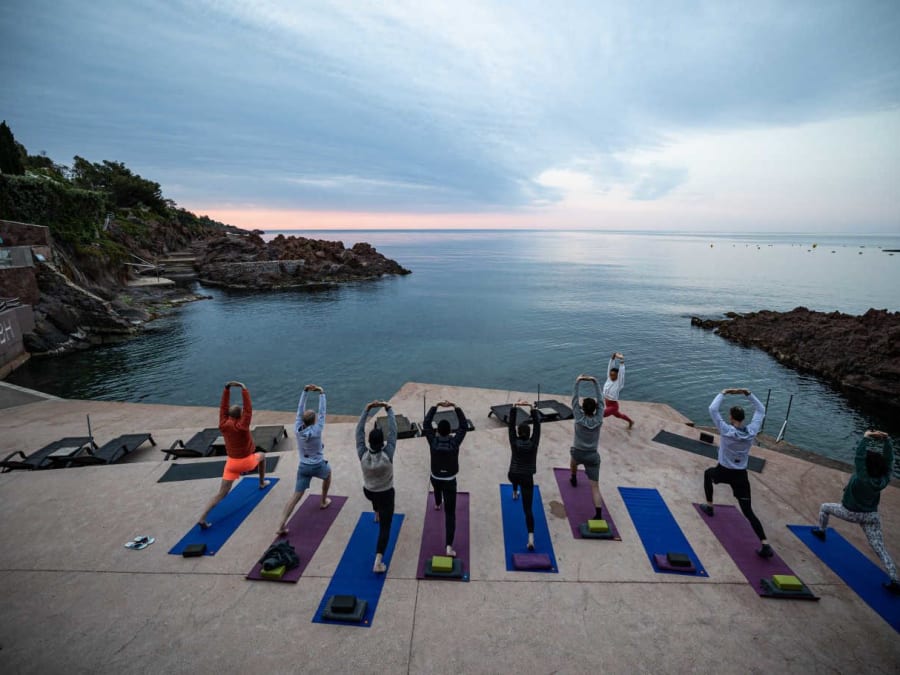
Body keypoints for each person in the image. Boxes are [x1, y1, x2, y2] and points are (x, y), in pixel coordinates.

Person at [811, 430, 899, 594]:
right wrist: (886, 441)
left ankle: (821, 531)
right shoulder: (883, 479)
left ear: (865, 466)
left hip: (850, 512)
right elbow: (889, 461)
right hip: (871, 516)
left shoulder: (862, 476)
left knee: (824, 508)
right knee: (879, 548)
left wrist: (866, 438)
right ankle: (895, 579)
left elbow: (859, 457)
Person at [700, 388, 774, 558]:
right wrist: (748, 394)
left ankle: (710, 507)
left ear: (731, 418)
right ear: (743, 418)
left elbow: (713, 409)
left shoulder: (726, 430)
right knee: (748, 511)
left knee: (707, 474)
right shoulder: (752, 431)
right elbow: (761, 410)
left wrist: (723, 392)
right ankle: (765, 543)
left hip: (723, 471)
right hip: (741, 476)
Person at [197, 381, 269, 528]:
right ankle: (262, 482)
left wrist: (226, 389)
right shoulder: (242, 426)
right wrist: (244, 389)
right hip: (246, 461)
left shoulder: (223, 425)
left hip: (231, 464)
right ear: (240, 415)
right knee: (262, 456)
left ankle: (203, 518)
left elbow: (222, 408)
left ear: (228, 415)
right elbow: (248, 409)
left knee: (221, 494)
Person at [276, 384, 331, 536]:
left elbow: (300, 408)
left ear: (303, 420)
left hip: (303, 467)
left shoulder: (297, 428)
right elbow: (323, 411)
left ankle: (281, 524)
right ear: (314, 421)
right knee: (328, 474)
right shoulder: (317, 429)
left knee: (295, 496)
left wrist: (305, 391)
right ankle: (323, 500)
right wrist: (322, 393)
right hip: (318, 465)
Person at [356, 400, 398, 573]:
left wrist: (366, 409)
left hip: (369, 492)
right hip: (386, 494)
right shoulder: (388, 454)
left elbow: (358, 432)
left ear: (369, 442)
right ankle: (378, 561)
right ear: (382, 442)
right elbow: (393, 431)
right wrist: (389, 409)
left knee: (375, 500)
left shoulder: (362, 454)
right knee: (385, 528)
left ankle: (376, 513)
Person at [423, 399, 468, 557]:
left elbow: (426, 424)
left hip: (436, 476)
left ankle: (436, 503)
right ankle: (449, 546)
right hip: (450, 481)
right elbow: (464, 426)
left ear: (438, 431)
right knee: (450, 514)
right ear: (450, 431)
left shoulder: (433, 441)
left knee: (436, 487)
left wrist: (435, 406)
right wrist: (456, 406)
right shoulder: (454, 443)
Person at [569, 374, 605, 521]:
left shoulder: (578, 417)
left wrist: (578, 381)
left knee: (573, 460)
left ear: (582, 408)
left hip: (578, 452)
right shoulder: (599, 419)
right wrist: (595, 382)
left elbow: (574, 399)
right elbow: (601, 401)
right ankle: (598, 514)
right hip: (592, 455)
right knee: (595, 487)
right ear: (596, 408)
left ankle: (573, 477)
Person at [507, 400, 541, 550]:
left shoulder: (514, 442)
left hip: (513, 474)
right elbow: (538, 427)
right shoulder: (534, 443)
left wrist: (514, 408)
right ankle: (531, 537)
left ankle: (514, 491)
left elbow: (510, 427)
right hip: (527, 477)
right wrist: (532, 409)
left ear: (519, 434)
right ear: (528, 434)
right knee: (528, 509)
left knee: (515, 476)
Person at [602, 352, 633, 429]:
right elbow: (610, 367)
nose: (612, 376)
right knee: (619, 415)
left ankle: (590, 428)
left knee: (601, 414)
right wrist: (613, 357)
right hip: (607, 402)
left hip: (613, 405)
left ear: (617, 375)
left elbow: (622, 373)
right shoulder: (609, 378)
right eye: (611, 374)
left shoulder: (619, 383)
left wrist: (622, 360)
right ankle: (631, 421)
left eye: (614, 375)